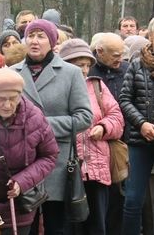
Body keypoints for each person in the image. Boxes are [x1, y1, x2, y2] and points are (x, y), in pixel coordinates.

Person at [11, 19, 92, 234]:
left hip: (57, 162)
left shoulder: (70, 73)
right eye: (31, 36)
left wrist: (42, 125)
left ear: (52, 41)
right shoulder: (11, 72)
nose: (34, 41)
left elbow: (84, 117)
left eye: (41, 36)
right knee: (23, 227)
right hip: (23, 162)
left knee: (56, 227)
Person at [0, 68, 59, 235]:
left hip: (19, 202)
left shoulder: (35, 117)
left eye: (13, 98)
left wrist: (22, 181)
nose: (7, 105)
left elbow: (49, 155)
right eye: (0, 99)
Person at [59, 38, 125, 235]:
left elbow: (117, 116)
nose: (85, 70)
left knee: (96, 225)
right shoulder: (56, 88)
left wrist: (104, 128)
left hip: (96, 169)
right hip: (66, 169)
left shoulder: (96, 86)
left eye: (88, 65)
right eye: (79, 65)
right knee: (68, 226)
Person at [119, 14, 154, 235]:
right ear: (151, 36)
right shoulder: (136, 65)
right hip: (139, 139)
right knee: (133, 199)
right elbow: (125, 99)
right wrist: (142, 124)